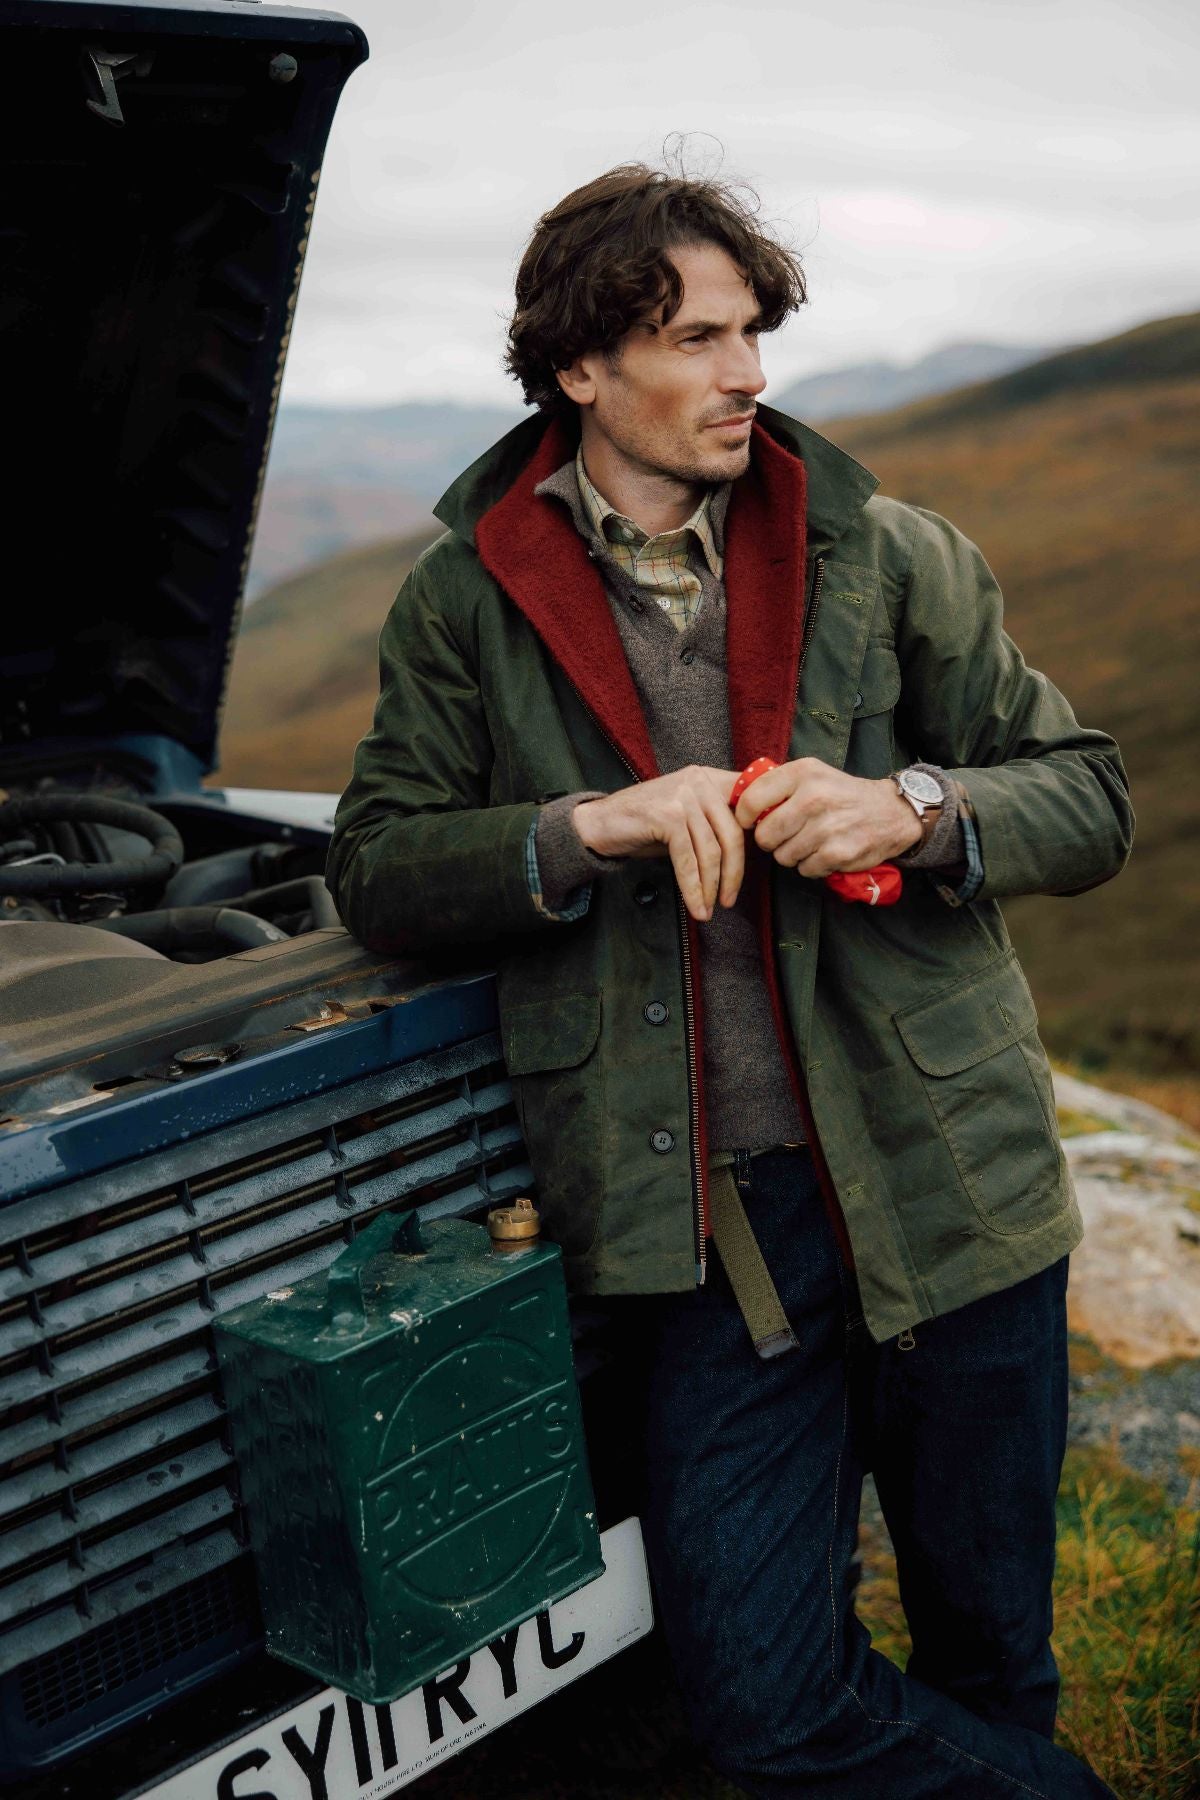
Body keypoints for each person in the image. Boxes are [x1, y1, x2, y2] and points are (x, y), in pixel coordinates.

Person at [327, 162, 1131, 1798]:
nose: (749, 373)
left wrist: (915, 803)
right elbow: (382, 861)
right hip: (709, 1232)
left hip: (950, 1180)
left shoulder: (892, 556)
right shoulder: (466, 601)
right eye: (696, 337)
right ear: (577, 369)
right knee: (760, 1701)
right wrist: (583, 825)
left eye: (753, 330)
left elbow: (1088, 789)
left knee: (992, 1657)